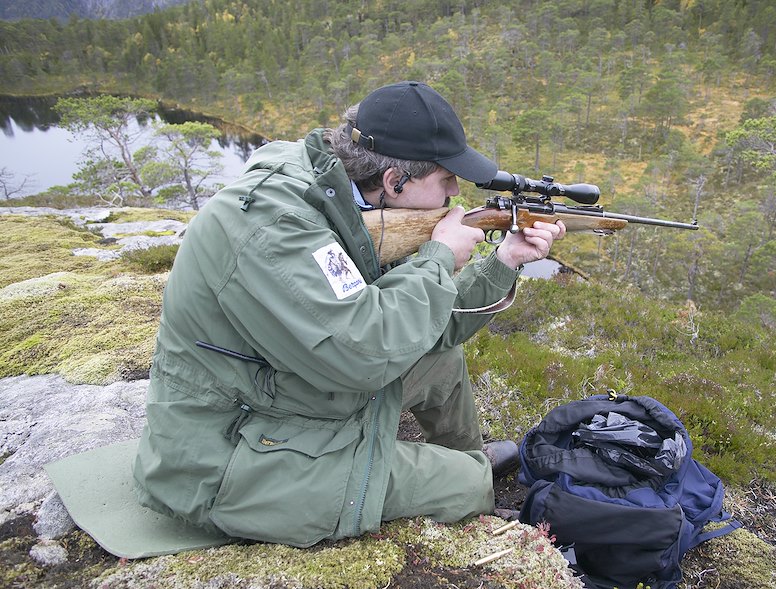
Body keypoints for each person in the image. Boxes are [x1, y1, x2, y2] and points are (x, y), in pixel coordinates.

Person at [132, 81, 565, 546]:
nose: (455, 195)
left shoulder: (344, 196)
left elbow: (426, 323)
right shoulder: (274, 228)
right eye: (445, 180)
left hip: (293, 391)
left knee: (443, 362)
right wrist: (438, 257)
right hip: (229, 452)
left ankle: (464, 460)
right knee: (465, 485)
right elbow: (364, 353)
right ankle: (468, 485)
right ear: (394, 180)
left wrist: (505, 261)